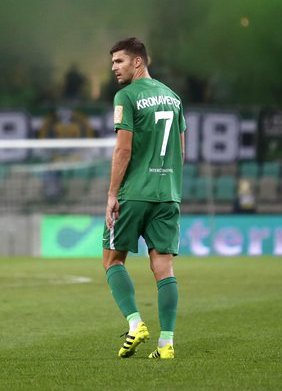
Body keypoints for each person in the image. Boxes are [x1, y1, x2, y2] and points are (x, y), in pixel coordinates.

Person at [103, 37, 186, 360]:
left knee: (112, 259)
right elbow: (181, 150)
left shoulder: (126, 96)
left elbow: (123, 148)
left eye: (119, 61)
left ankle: (136, 323)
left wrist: (112, 194)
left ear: (138, 61)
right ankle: (167, 343)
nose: (114, 68)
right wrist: (170, 186)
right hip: (168, 194)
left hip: (134, 193)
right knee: (164, 268)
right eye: (112, 63)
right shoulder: (174, 98)